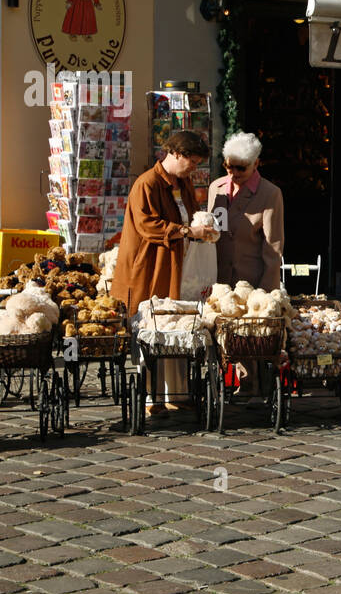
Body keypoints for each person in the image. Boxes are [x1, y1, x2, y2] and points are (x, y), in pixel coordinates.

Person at [113, 130, 214, 414]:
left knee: (176, 327)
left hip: (177, 265)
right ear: (177, 154)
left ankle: (176, 392)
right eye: (192, 162)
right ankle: (150, 397)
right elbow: (149, 225)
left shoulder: (184, 182)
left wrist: (201, 230)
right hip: (150, 267)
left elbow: (189, 216)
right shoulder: (147, 184)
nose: (194, 168)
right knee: (152, 327)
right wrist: (185, 231)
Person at [207, 131, 285, 290]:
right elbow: (212, 233)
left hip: (251, 284)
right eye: (229, 166)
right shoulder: (216, 187)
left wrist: (266, 292)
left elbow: (273, 248)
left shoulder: (270, 193)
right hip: (217, 281)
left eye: (241, 168)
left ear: (256, 163)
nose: (234, 173)